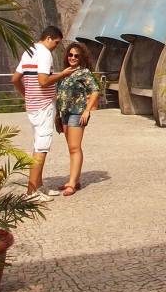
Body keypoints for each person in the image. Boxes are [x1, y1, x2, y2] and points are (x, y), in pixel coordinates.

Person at [11, 26, 75, 202]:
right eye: (56, 42)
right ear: (48, 38)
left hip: (32, 106)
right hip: (44, 106)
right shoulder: (45, 54)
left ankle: (38, 186)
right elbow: (43, 81)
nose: (56, 46)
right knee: (42, 148)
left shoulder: (29, 51)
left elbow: (15, 79)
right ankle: (31, 192)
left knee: (37, 144)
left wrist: (26, 94)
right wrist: (62, 74)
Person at [54, 42, 101, 197]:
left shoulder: (84, 73)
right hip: (65, 114)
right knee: (71, 148)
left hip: (77, 113)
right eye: (70, 54)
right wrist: (57, 116)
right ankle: (75, 179)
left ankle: (72, 183)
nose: (73, 57)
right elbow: (59, 95)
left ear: (81, 58)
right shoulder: (65, 72)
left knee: (75, 148)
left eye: (76, 55)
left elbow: (95, 91)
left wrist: (87, 110)